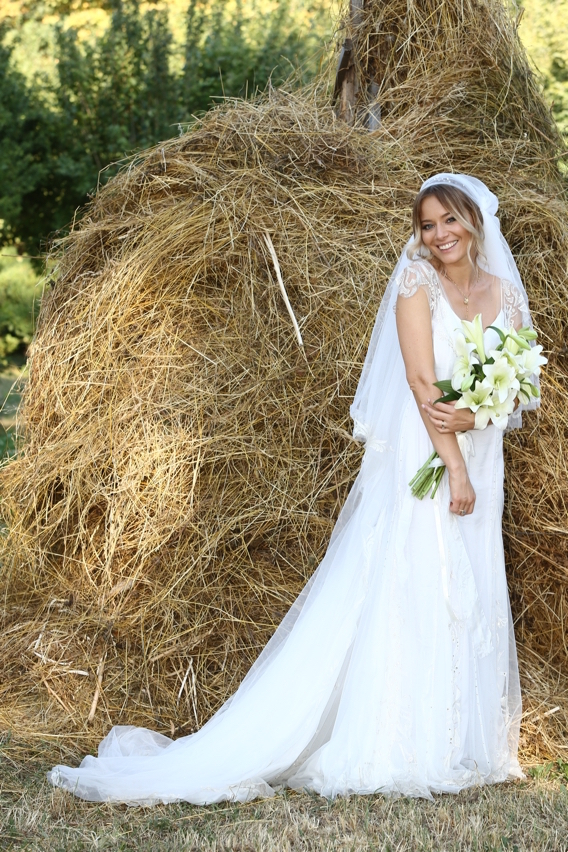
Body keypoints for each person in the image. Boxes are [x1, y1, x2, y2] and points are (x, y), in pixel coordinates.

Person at [48, 173, 538, 805]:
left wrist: (477, 421)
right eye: (427, 224)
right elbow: (421, 383)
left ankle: (465, 743)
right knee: (419, 578)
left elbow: (522, 384)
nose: (439, 234)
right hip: (430, 453)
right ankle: (405, 741)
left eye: (450, 220)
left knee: (472, 581)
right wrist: (456, 465)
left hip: (482, 449)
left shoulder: (505, 293)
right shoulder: (416, 284)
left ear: (474, 221)